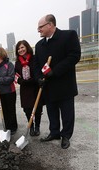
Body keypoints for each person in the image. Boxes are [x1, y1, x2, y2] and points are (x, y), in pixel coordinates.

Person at [34, 14, 81, 149]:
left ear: (50, 25)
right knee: (52, 112)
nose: (38, 30)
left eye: (40, 27)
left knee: (67, 113)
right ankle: (54, 132)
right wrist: (39, 78)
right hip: (48, 87)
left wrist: (54, 71)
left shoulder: (68, 36)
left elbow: (74, 56)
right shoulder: (39, 45)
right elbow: (36, 64)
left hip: (64, 84)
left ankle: (65, 135)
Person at [15, 40, 43, 136]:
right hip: (25, 89)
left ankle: (37, 127)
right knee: (27, 109)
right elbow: (15, 75)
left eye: (22, 47)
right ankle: (31, 126)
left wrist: (35, 80)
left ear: (27, 47)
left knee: (37, 108)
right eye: (18, 48)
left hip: (35, 87)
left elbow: (38, 72)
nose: (20, 50)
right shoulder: (18, 62)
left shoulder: (34, 59)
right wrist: (20, 81)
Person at [0, 47, 18, 135]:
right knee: (4, 110)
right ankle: (7, 126)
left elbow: (11, 78)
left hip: (9, 91)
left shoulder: (8, 64)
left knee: (10, 110)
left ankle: (13, 127)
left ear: (1, 53)